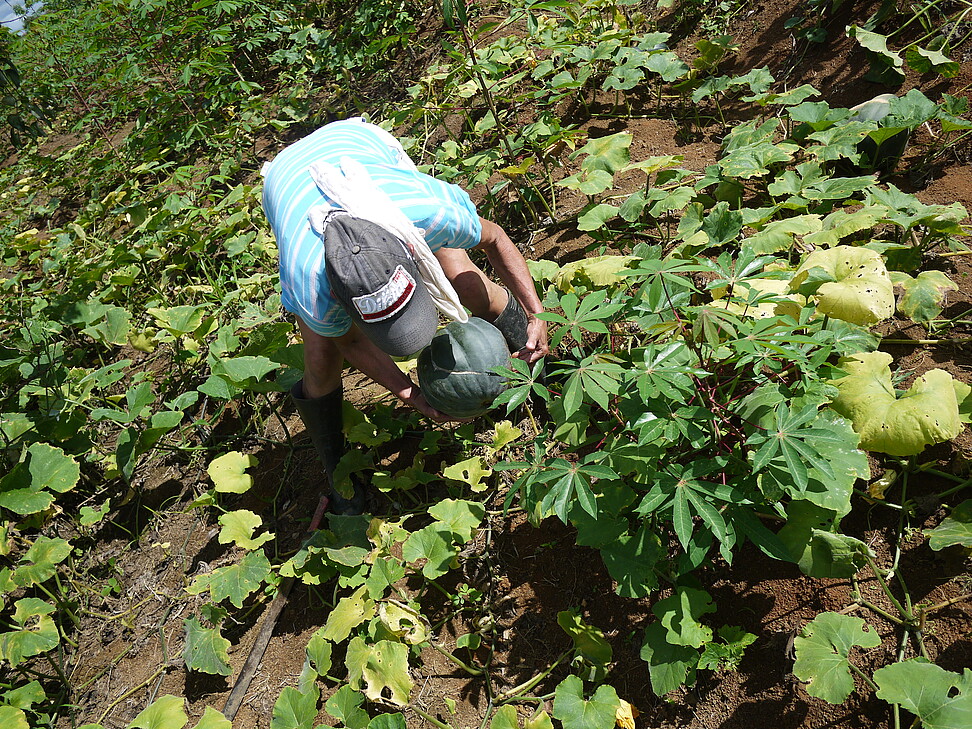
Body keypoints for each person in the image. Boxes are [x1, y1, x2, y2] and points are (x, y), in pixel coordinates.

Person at [261, 118, 549, 514]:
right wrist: (407, 392)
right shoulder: (312, 284)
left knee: (463, 280)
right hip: (287, 181)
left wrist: (537, 313)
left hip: (356, 146)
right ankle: (337, 470)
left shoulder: (429, 214)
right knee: (321, 357)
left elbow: (496, 238)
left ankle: (539, 369)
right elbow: (349, 340)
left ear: (411, 254)